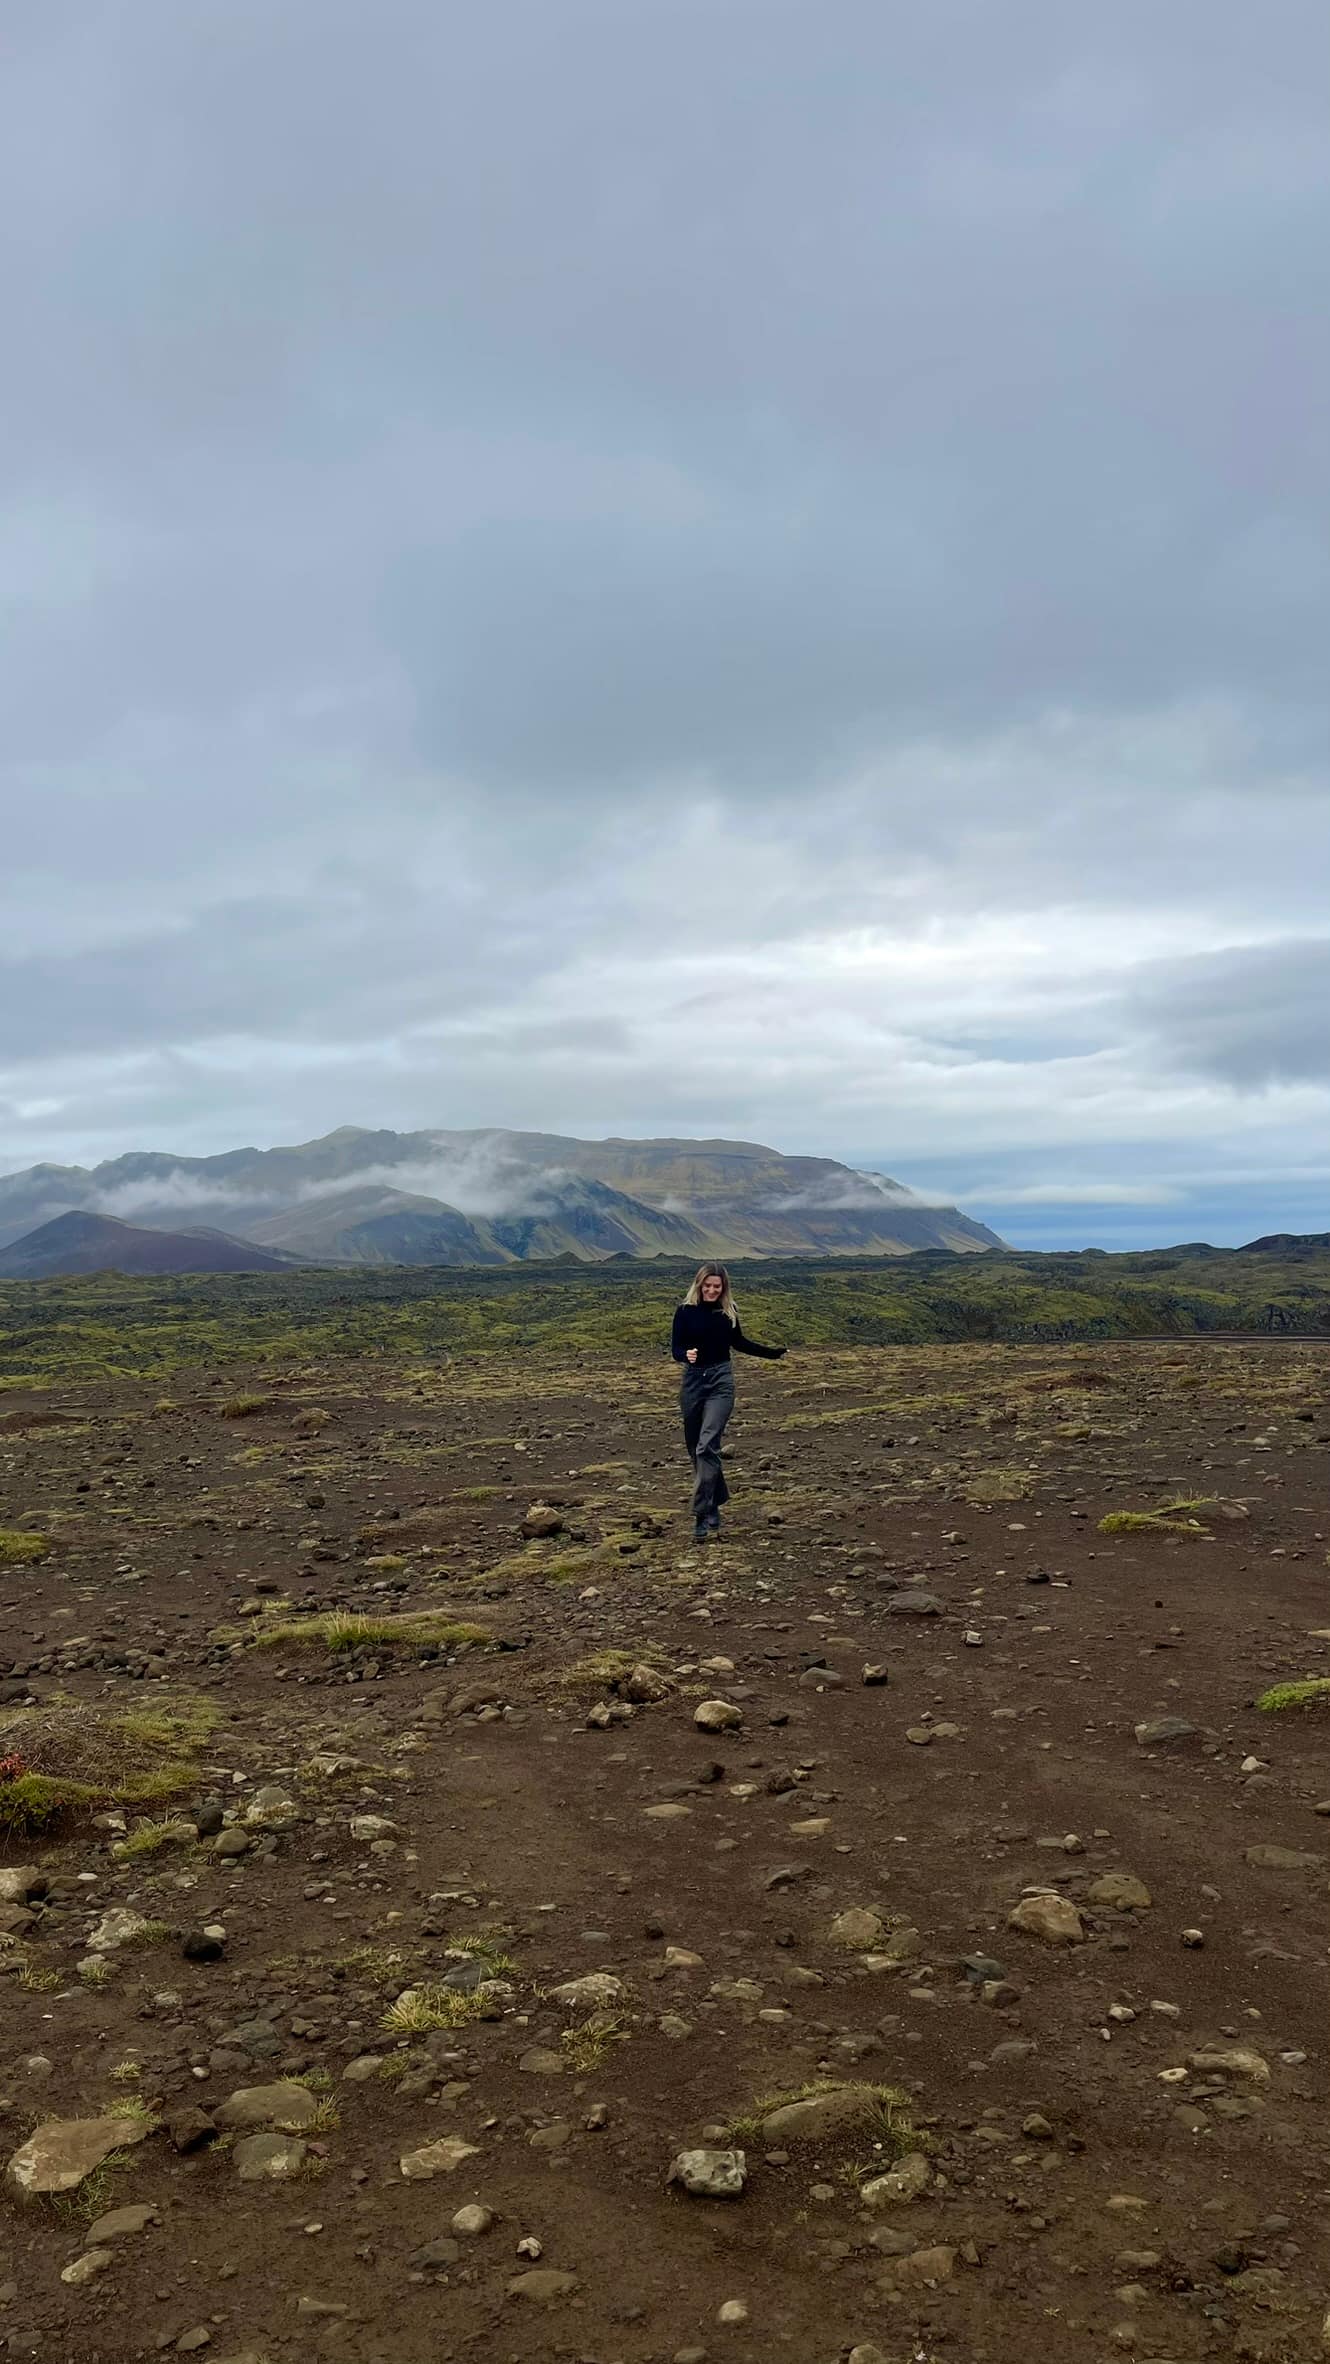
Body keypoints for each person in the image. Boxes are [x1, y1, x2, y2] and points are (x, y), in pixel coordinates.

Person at [671, 1262, 786, 1543]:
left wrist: (772, 1354)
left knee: (707, 1444)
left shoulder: (728, 1314)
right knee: (696, 1450)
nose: (711, 1290)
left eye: (717, 1286)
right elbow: (675, 1347)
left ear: (723, 1288)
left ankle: (701, 1514)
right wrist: (687, 1355)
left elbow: (740, 1343)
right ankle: (714, 1501)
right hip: (693, 1383)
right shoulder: (684, 1312)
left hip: (721, 1383)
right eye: (707, 1285)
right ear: (699, 1285)